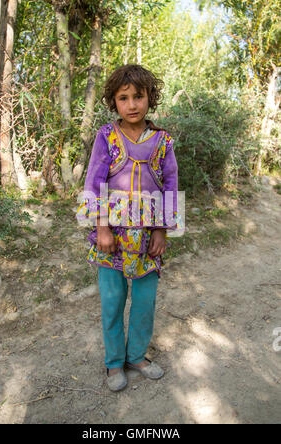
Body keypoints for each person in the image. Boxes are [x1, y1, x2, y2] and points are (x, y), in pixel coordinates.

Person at [76, 64, 182, 392]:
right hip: (112, 237)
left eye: (139, 96)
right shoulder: (106, 136)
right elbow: (93, 181)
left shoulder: (162, 141)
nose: (132, 104)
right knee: (112, 300)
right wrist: (102, 228)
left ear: (150, 98)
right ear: (114, 102)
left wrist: (162, 231)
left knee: (145, 301)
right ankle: (113, 362)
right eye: (124, 98)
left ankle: (136, 356)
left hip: (148, 237)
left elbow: (171, 184)